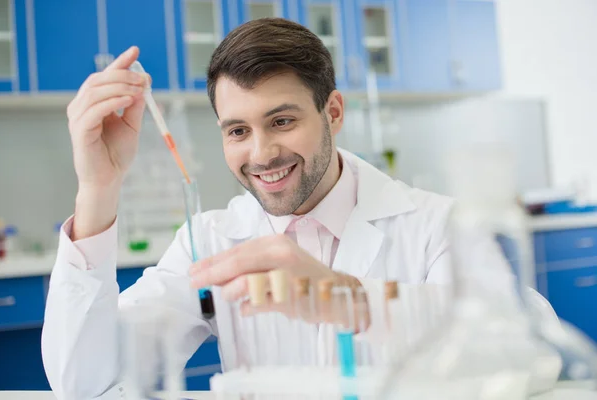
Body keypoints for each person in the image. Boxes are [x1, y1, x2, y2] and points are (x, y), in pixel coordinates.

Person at [41, 18, 546, 399]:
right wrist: (96, 190)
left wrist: (353, 300)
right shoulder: (211, 241)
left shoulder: (434, 223)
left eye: (281, 121)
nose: (260, 154)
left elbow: (530, 342)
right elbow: (86, 382)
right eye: (237, 131)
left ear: (333, 112)